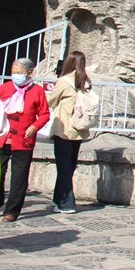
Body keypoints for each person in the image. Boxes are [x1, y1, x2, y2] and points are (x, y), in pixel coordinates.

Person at [0, 58, 49, 222]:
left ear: (29, 73)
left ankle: (12, 210)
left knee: (19, 177)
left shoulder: (37, 91)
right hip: (2, 137)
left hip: (23, 140)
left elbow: (44, 114)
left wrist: (34, 127)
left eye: (19, 72)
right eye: (14, 72)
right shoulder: (5, 88)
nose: (16, 75)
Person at [47, 51, 93, 214]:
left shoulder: (64, 81)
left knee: (63, 166)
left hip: (64, 128)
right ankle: (58, 199)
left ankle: (67, 203)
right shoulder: (86, 81)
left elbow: (51, 101)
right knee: (69, 165)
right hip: (78, 129)